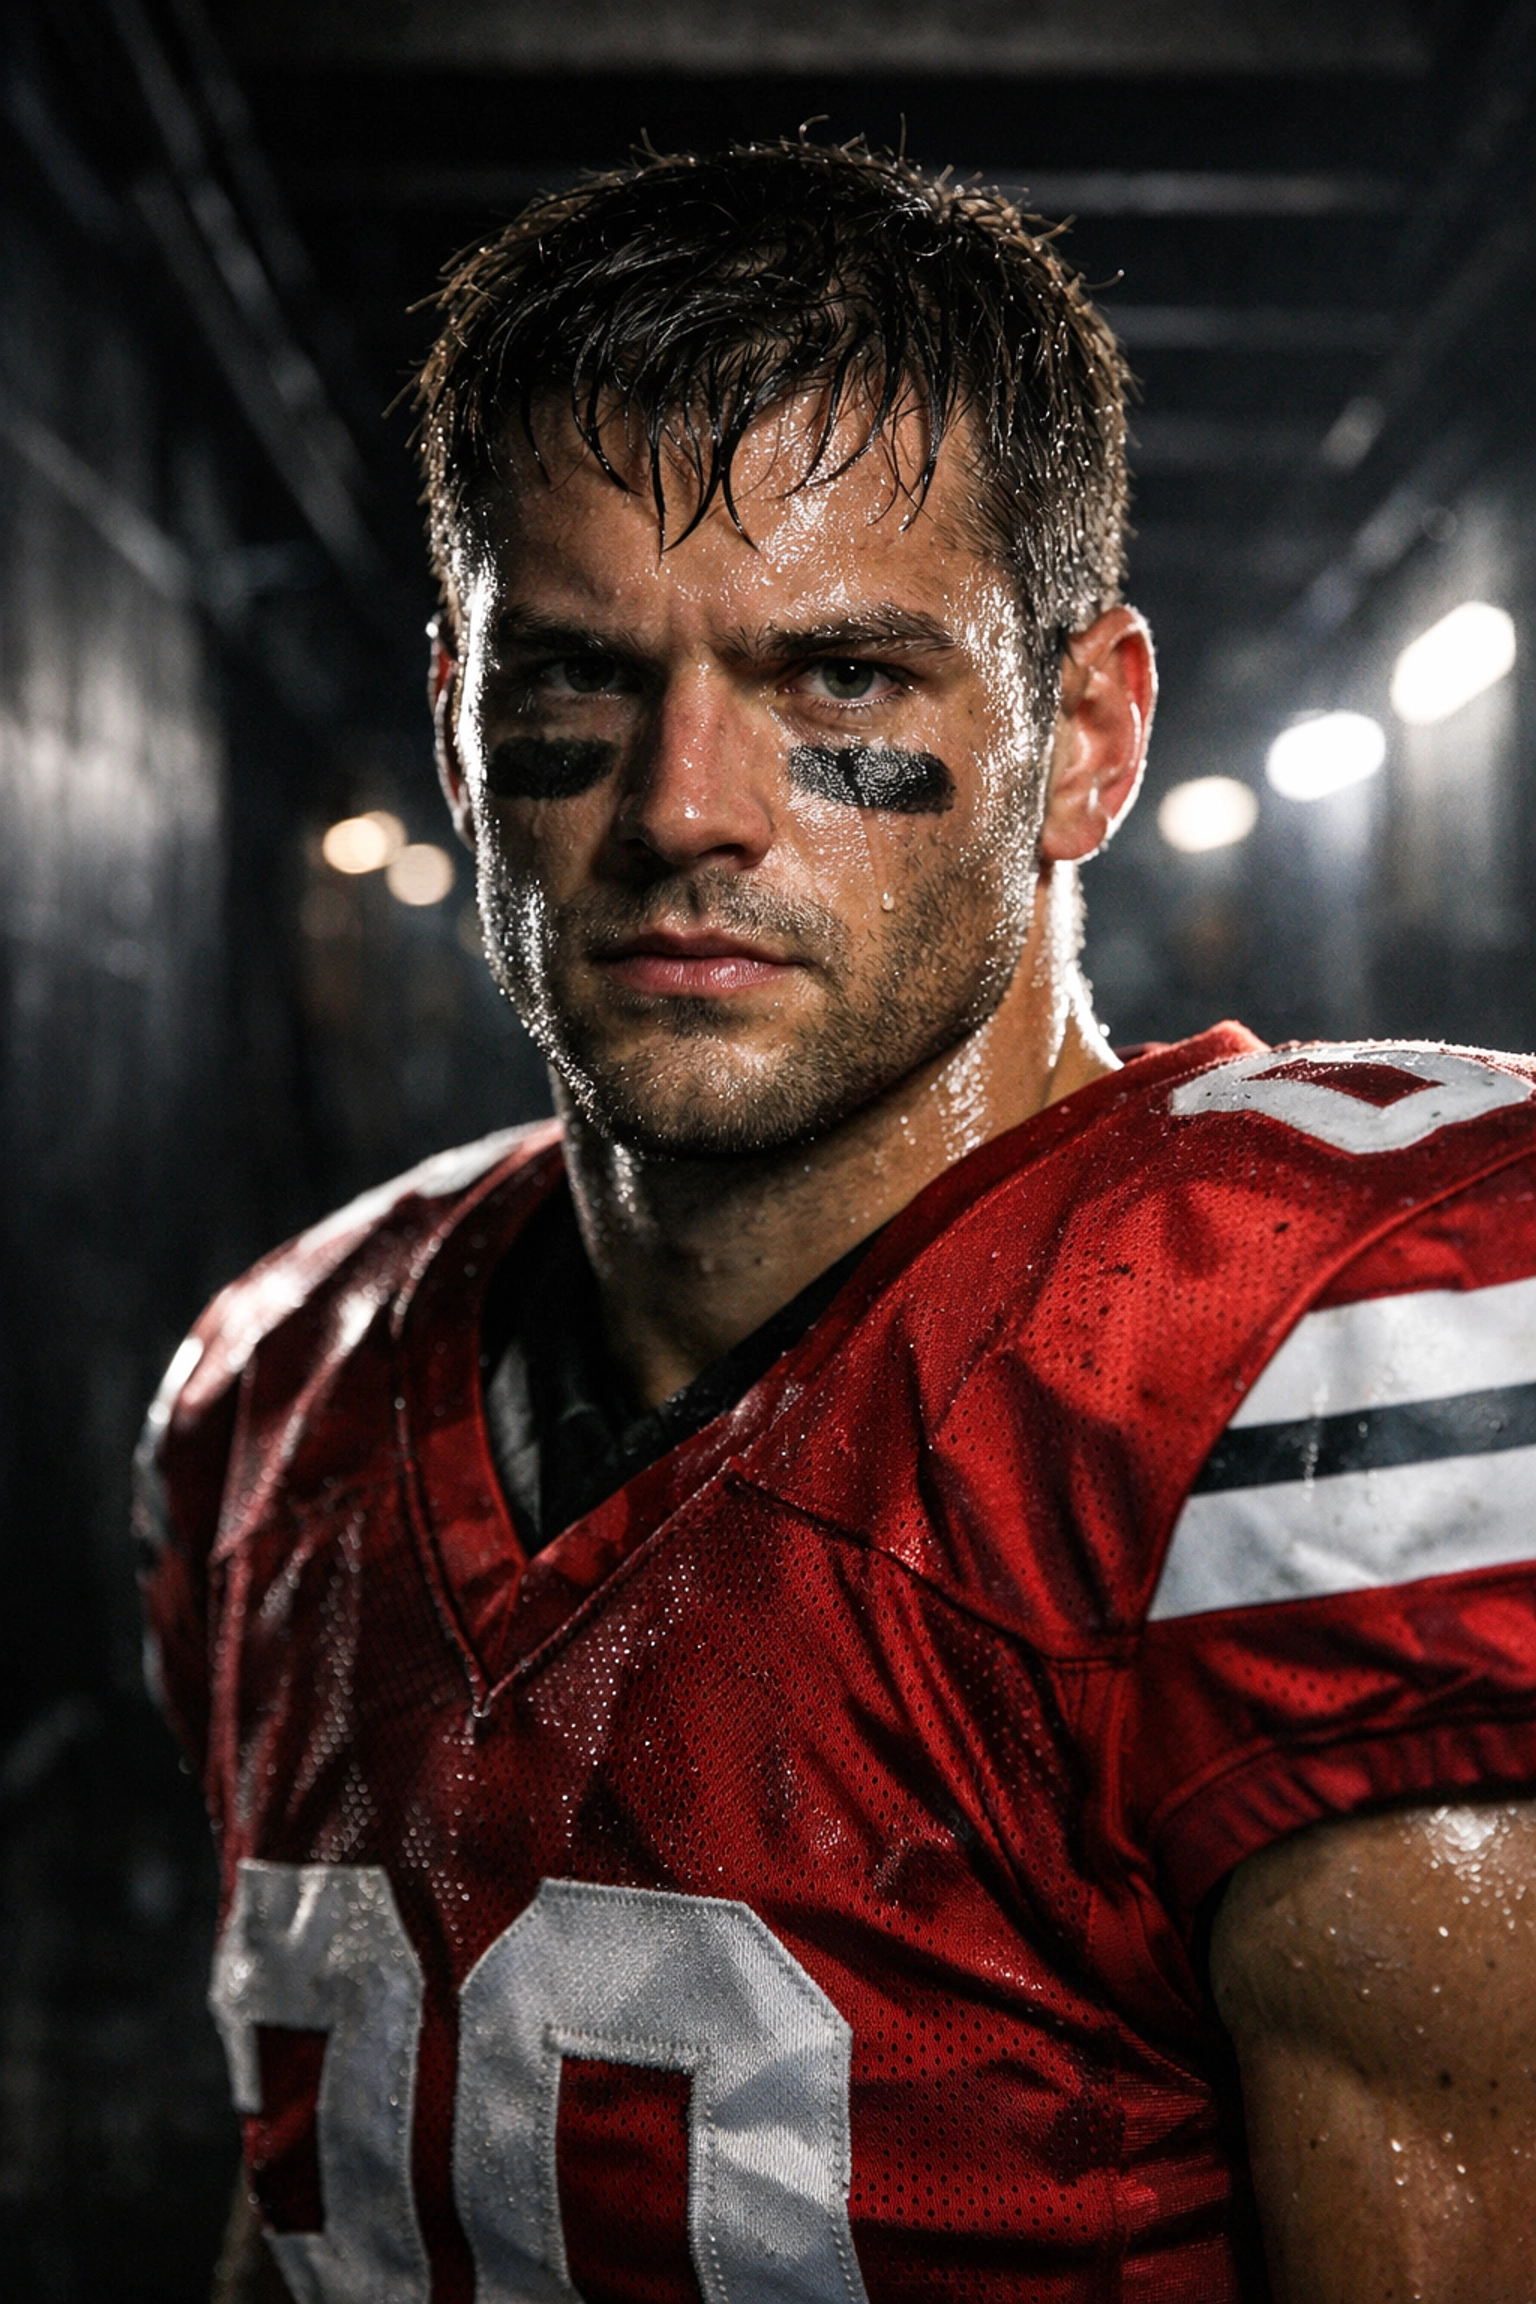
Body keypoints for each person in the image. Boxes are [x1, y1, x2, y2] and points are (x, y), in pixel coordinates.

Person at [139, 142, 1536, 2304]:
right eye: (578, 685)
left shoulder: (1315, 1362)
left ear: (1085, 741)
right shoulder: (294, 1380)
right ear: (457, 724)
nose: (685, 808)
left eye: (843, 685)